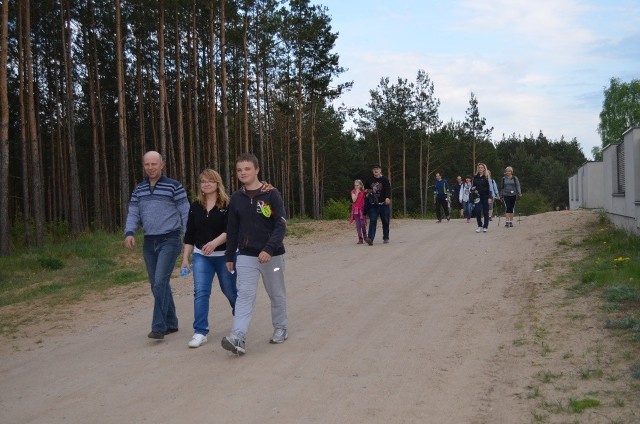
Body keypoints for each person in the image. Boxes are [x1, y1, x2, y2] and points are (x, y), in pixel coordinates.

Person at [221, 153, 288, 355]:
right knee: (245, 295)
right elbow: (232, 228)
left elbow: (281, 225)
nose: (243, 173)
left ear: (257, 170)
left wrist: (268, 248)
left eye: (247, 169)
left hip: (273, 255)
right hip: (246, 255)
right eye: (239, 170)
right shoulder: (236, 198)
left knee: (276, 292)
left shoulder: (271, 194)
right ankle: (238, 337)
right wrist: (230, 255)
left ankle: (280, 327)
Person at [124, 151, 189, 340]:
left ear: (162, 165)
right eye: (147, 164)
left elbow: (186, 212)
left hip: (170, 240)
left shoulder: (174, 187)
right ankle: (171, 322)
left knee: (160, 282)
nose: (150, 168)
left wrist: (189, 238)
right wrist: (129, 232)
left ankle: (159, 327)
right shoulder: (139, 189)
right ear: (143, 166)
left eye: (154, 164)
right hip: (149, 241)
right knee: (157, 284)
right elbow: (133, 212)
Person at [181, 169, 237, 348]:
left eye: (210, 181)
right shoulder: (195, 206)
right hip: (201, 256)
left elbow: (231, 231)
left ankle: (240, 321)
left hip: (224, 256)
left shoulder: (228, 204)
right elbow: (189, 234)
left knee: (229, 290)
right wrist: (185, 259)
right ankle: (200, 331)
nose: (206, 184)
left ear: (217, 184)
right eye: (203, 181)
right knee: (201, 292)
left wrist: (214, 243)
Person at [364, 164, 392, 245]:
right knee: (372, 220)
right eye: (374, 169)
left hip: (384, 204)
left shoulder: (385, 179)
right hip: (373, 205)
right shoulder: (369, 180)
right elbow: (365, 189)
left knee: (385, 221)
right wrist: (367, 192)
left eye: (377, 169)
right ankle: (370, 239)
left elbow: (388, 189)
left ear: (380, 170)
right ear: (372, 171)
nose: (376, 170)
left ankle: (386, 237)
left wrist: (388, 198)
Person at [471, 163, 494, 233]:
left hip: (485, 196)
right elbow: (472, 188)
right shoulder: (475, 177)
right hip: (477, 196)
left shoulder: (487, 177)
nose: (480, 169)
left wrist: (490, 197)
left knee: (485, 212)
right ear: (477, 169)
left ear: (484, 169)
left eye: (481, 167)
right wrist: (473, 189)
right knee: (477, 211)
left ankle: (485, 226)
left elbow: (490, 188)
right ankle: (479, 226)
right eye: (479, 167)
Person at [349, 179, 367, 244]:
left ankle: (365, 236)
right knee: (358, 225)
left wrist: (364, 190)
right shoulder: (353, 191)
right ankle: (360, 238)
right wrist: (357, 193)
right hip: (356, 210)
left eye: (357, 185)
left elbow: (366, 197)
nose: (356, 187)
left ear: (360, 185)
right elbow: (354, 200)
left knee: (363, 224)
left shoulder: (363, 191)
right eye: (355, 185)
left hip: (362, 209)